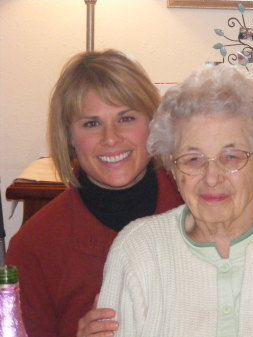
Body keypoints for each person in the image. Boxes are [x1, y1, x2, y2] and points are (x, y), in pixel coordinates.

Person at [79, 63, 253, 337]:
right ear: (174, 171)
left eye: (231, 157)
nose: (212, 177)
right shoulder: (138, 249)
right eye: (193, 159)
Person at [5, 49, 183, 337]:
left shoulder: (199, 209)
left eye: (126, 118)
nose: (110, 138)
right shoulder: (34, 246)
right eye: (91, 123)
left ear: (154, 124)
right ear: (70, 138)